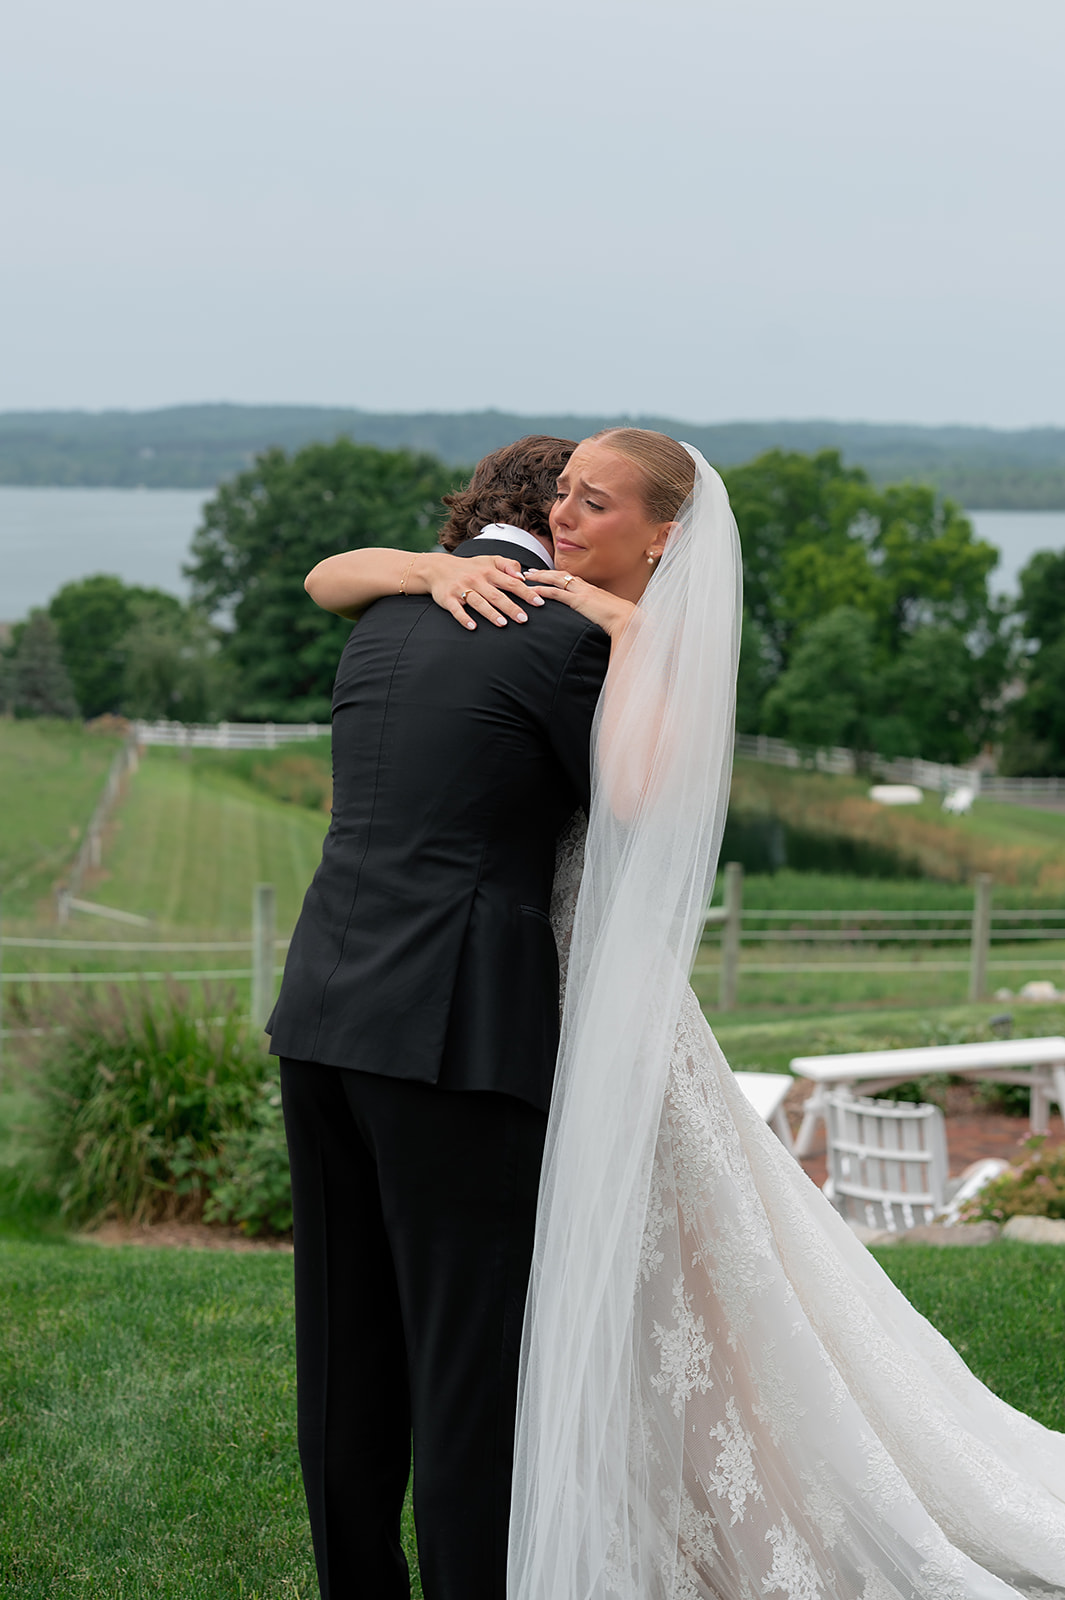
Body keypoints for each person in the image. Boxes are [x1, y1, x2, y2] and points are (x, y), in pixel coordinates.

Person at [334, 428, 1065, 1599]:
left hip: (590, 989)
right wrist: (430, 568)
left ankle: (729, 1511)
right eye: (564, 496)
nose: (565, 518)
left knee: (687, 1277)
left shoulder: (634, 643)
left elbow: (629, 803)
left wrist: (630, 637)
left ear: (662, 536)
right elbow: (337, 579)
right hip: (522, 987)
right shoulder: (537, 604)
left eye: (596, 504)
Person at [267, 435, 617, 1600]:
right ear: (561, 525)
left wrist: (414, 567)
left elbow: (333, 580)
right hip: (454, 1035)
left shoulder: (384, 617)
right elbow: (636, 819)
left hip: (321, 1007)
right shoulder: (567, 647)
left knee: (345, 1347)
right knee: (469, 1365)